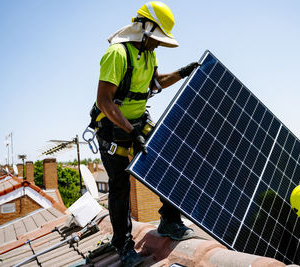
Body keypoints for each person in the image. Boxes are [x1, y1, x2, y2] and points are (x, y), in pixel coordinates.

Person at [93, 2, 199, 266]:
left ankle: (170, 222)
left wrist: (182, 73)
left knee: (166, 161)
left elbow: (154, 84)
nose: (158, 44)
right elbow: (105, 101)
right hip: (112, 128)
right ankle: (124, 246)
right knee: (119, 187)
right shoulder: (117, 54)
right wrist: (131, 133)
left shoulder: (149, 54)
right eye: (156, 37)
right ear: (143, 27)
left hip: (138, 122)